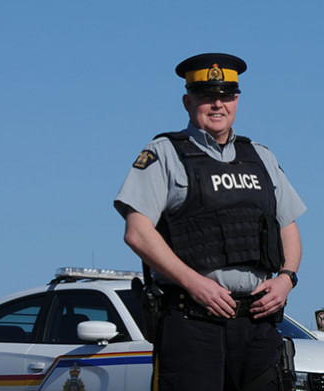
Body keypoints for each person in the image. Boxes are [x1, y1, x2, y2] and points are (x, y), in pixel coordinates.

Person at [114, 53, 307, 391]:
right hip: (193, 321)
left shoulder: (260, 156)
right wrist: (193, 283)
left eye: (227, 96)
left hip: (258, 323)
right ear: (188, 101)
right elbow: (137, 233)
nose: (217, 104)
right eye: (206, 96)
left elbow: (287, 226)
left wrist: (287, 279)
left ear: (236, 101)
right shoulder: (165, 154)